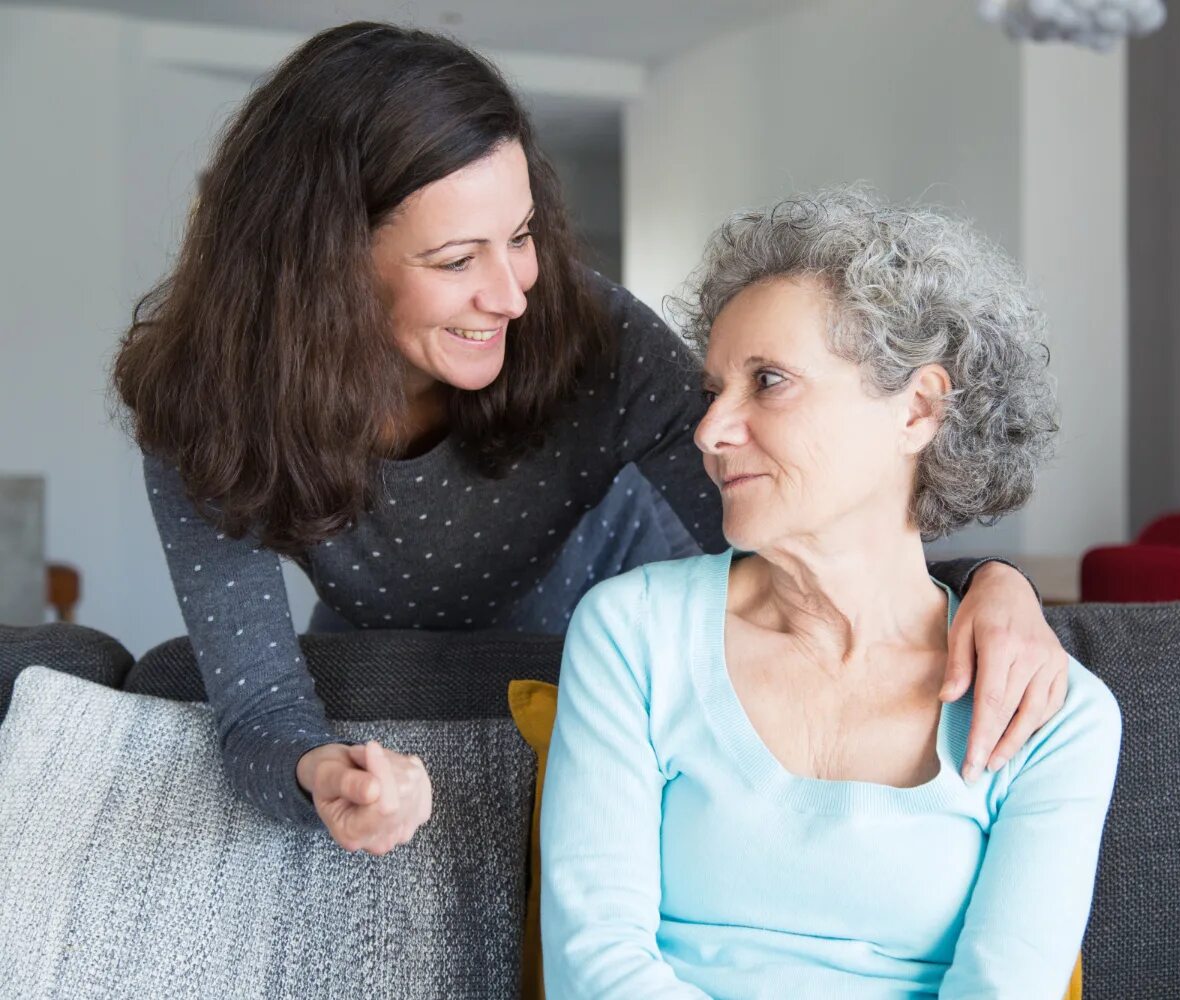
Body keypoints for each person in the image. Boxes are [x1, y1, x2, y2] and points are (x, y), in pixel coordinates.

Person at [113, 22, 1071, 857]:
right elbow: (257, 714)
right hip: (384, 672)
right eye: (457, 259)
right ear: (318, 265)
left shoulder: (591, 336)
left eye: (522, 234)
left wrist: (990, 584)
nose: (513, 291)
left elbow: (817, 523)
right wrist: (323, 775)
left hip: (603, 669)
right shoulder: (208, 405)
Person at [541, 188, 1122, 999]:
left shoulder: (1053, 716)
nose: (710, 431)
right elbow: (595, 968)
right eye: (714, 391)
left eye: (768, 381)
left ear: (917, 409)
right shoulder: (632, 632)